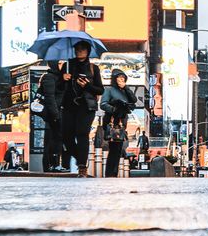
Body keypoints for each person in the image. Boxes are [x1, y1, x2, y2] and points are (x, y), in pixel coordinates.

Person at [61, 42, 104, 176]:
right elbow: (58, 87)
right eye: (77, 49)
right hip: (69, 105)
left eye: (83, 49)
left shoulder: (93, 68)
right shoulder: (67, 65)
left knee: (82, 134)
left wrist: (87, 86)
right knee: (66, 136)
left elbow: (100, 89)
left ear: (88, 51)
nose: (80, 51)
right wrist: (63, 79)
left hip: (86, 106)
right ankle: (80, 158)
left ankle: (82, 167)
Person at [99, 69, 136, 178]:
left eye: (123, 78)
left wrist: (126, 88)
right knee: (113, 148)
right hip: (112, 121)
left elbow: (133, 100)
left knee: (119, 148)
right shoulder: (109, 89)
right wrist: (114, 108)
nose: (121, 80)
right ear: (114, 78)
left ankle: (113, 173)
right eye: (119, 77)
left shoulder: (125, 91)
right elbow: (103, 104)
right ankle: (110, 173)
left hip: (122, 122)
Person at [36, 64, 67, 172]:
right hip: (52, 114)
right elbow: (50, 97)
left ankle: (54, 164)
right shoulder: (49, 77)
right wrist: (56, 115)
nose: (62, 65)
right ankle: (52, 165)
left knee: (56, 138)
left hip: (59, 113)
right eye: (59, 63)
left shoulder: (61, 77)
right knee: (52, 139)